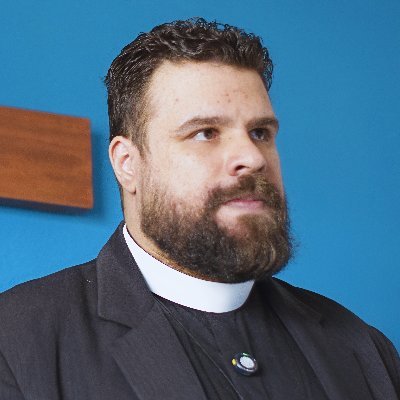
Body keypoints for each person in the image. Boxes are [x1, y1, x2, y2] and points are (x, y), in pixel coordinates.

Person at [0, 17, 399, 400]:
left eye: (260, 132)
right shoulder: (16, 343)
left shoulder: (364, 349)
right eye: (205, 133)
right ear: (128, 163)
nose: (252, 158)